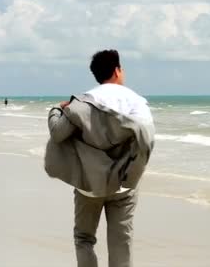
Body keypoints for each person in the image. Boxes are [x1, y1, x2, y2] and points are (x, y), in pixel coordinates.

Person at [45, 49, 154, 267]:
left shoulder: (81, 104)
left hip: (88, 184)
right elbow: (146, 143)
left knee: (84, 239)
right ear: (117, 70)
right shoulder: (136, 102)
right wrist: (131, 178)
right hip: (124, 185)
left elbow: (58, 133)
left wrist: (57, 108)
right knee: (121, 242)